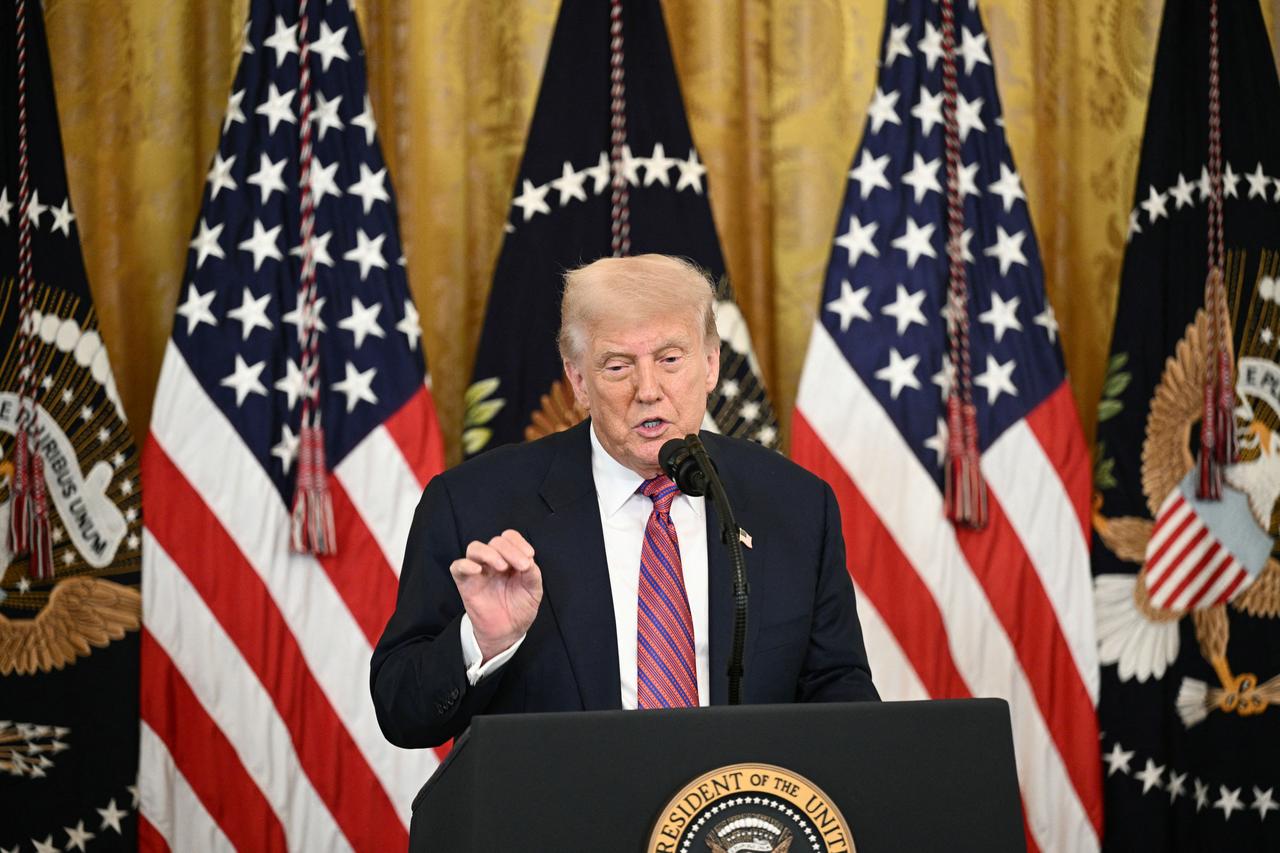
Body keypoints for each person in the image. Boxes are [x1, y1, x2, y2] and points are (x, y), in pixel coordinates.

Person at [371, 254, 877, 749]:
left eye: (670, 360)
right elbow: (402, 713)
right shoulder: (474, 503)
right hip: (563, 826)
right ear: (578, 381)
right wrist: (481, 642)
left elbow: (841, 697)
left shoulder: (794, 504)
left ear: (709, 364)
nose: (648, 390)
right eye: (617, 366)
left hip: (732, 826)